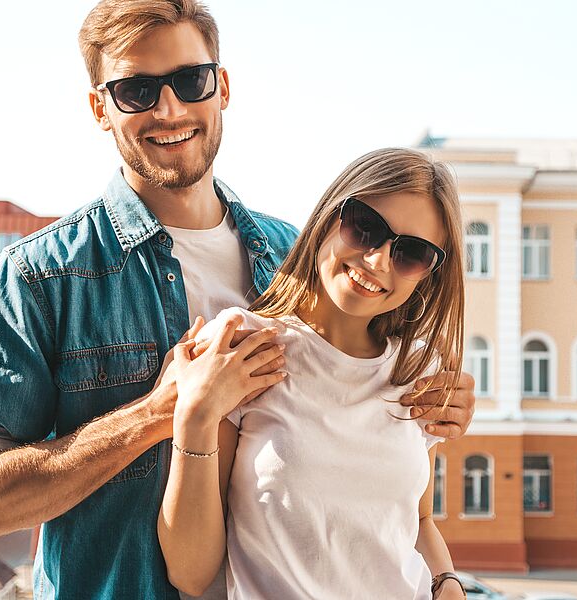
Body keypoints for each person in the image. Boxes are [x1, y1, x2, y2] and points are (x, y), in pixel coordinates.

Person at [0, 1, 476, 598]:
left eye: (190, 81)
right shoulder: (40, 277)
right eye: (136, 90)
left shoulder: (299, 253)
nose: (169, 109)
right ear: (100, 107)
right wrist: (156, 414)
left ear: (221, 87)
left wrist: (446, 399)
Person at [159, 148, 469, 599]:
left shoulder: (420, 370)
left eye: (412, 254)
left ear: (428, 275)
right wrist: (194, 417)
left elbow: (417, 522)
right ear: (329, 217)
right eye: (365, 227)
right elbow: (190, 573)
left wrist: (448, 581)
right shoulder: (244, 346)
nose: (379, 261)